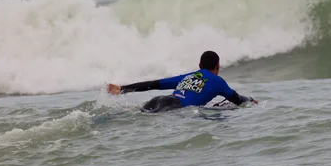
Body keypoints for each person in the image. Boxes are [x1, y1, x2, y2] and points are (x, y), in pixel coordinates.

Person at [107, 50, 258, 113]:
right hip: (174, 107)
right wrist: (250, 99)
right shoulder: (218, 81)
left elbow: (153, 84)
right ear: (218, 66)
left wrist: (122, 89)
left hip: (158, 100)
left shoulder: (187, 77)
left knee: (132, 113)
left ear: (199, 66)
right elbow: (237, 99)